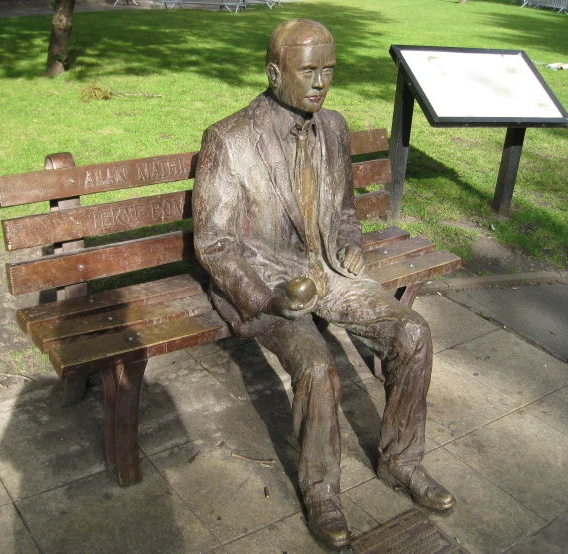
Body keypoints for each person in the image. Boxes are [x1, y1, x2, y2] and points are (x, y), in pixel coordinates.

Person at [193, 18, 455, 549]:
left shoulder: (332, 127)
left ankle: (402, 462)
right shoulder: (229, 139)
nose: (320, 83)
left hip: (329, 270)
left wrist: (350, 243)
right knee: (316, 365)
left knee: (413, 335)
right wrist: (266, 299)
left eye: (328, 71)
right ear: (273, 73)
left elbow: (344, 210)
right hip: (267, 284)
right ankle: (322, 491)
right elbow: (215, 244)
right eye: (308, 71)